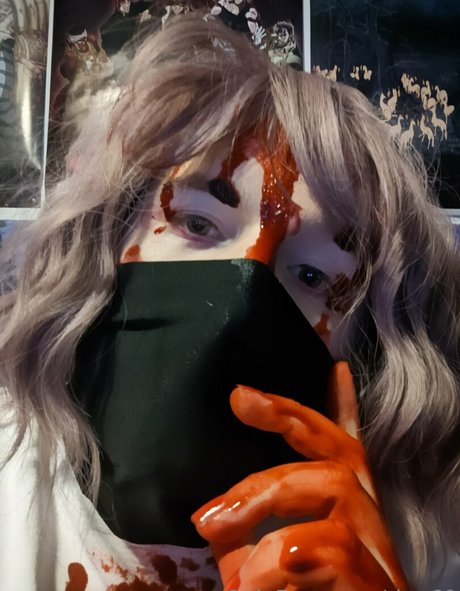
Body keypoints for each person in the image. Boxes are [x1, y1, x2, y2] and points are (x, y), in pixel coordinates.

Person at [0, 13, 459, 591]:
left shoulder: (427, 551)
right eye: (197, 222)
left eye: (313, 274)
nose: (242, 300)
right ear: (107, 234)